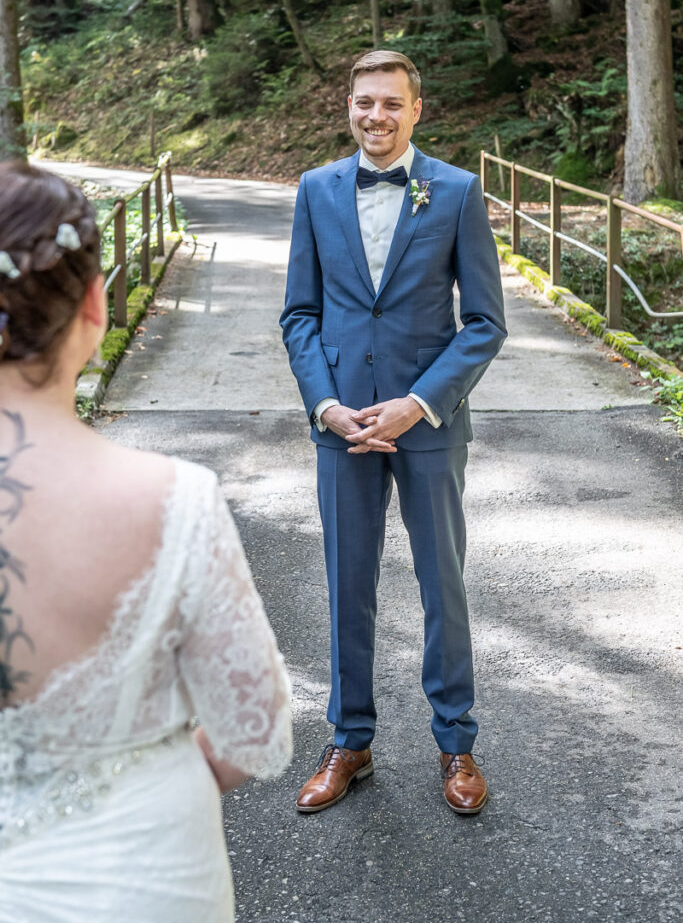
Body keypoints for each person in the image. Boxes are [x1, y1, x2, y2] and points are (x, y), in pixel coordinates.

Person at [0, 163, 292, 921]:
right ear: (94, 304)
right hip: (140, 875)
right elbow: (252, 733)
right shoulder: (170, 500)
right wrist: (135, 771)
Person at [280, 50, 506, 815]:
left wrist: (416, 403)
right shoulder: (315, 190)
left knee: (441, 583)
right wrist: (325, 405)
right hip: (341, 422)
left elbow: (482, 324)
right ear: (347, 106)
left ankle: (456, 744)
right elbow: (300, 315)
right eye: (362, 103)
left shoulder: (455, 191)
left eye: (389, 104)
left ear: (417, 110)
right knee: (348, 584)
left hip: (428, 422)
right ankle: (350, 740)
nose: (374, 116)